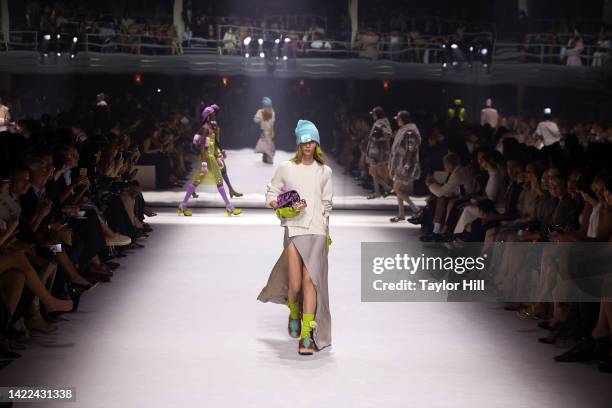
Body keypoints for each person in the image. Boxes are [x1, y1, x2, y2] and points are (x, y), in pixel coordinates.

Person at [258, 119, 333, 356]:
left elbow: (326, 204)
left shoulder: (325, 171)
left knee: (312, 282)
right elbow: (271, 192)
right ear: (298, 143)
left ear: (317, 143)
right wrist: (280, 205)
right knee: (296, 284)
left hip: (318, 231)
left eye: (311, 141)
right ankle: (293, 312)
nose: (307, 145)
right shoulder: (286, 167)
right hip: (293, 228)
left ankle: (307, 334)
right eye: (304, 141)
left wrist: (327, 233)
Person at [179, 107, 241, 216]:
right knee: (218, 181)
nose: (214, 115)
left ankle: (183, 205)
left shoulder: (210, 126)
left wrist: (218, 155)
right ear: (208, 116)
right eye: (212, 114)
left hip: (211, 156)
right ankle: (229, 207)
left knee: (197, 181)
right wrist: (204, 162)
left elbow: (212, 144)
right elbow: (202, 146)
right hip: (208, 157)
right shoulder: (205, 128)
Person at [388, 110, 421, 222]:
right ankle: (401, 214)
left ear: (403, 119)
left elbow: (410, 149)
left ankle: (416, 209)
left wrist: (406, 165)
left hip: (404, 164)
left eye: (398, 119)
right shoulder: (404, 130)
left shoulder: (409, 132)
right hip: (400, 163)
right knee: (398, 189)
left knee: (397, 189)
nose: (397, 121)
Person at [209, 104, 243, 198]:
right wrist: (220, 150)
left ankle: (231, 190)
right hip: (212, 149)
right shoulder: (211, 123)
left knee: (222, 170)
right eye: (217, 112)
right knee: (204, 173)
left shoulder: (213, 122)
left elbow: (216, 138)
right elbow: (214, 139)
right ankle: (192, 190)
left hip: (215, 148)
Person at [365, 106, 393, 199]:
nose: (373, 116)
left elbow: (388, 136)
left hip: (378, 153)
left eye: (373, 114)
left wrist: (377, 139)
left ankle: (386, 187)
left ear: (377, 114)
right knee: (373, 172)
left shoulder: (381, 123)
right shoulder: (383, 122)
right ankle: (378, 191)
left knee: (373, 172)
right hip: (378, 152)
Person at [254, 97, 276, 164]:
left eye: (268, 107)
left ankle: (268, 158)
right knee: (266, 146)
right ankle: (267, 157)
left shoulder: (272, 113)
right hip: (264, 132)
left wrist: (272, 131)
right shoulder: (260, 112)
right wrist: (260, 119)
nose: (267, 108)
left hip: (269, 132)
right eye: (266, 107)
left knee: (269, 147)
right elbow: (256, 120)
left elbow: (272, 123)